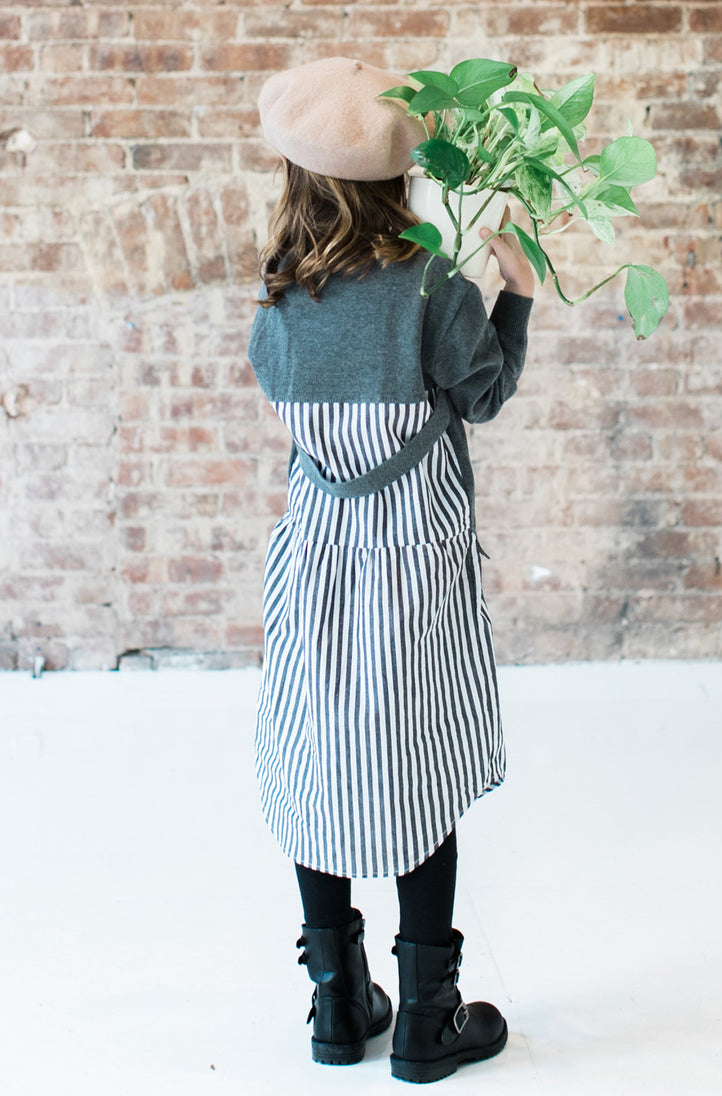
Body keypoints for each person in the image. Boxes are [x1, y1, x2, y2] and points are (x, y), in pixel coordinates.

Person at [247, 56, 534, 1084]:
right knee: (413, 769)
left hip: (319, 557)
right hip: (412, 562)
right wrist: (516, 293)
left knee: (319, 755)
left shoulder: (279, 297)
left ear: (297, 180)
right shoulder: (431, 288)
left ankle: (336, 1004)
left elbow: (294, 411)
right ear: (398, 178)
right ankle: (425, 1018)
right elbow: (483, 395)